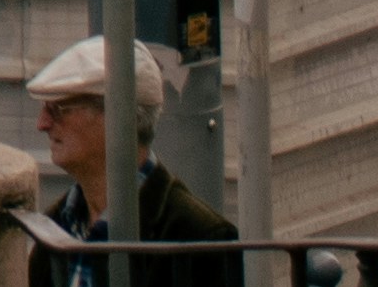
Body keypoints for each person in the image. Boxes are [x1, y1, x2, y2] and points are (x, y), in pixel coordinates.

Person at [29, 39, 229, 257]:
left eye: (59, 108)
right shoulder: (54, 231)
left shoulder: (201, 239)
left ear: (119, 118)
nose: (42, 124)